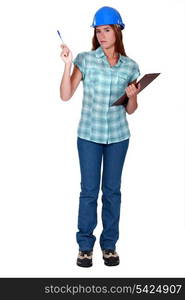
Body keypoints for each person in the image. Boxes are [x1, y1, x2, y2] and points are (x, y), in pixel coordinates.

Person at [59, 6, 141, 267]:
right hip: (89, 136)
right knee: (89, 191)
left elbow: (131, 110)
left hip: (118, 137)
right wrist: (67, 65)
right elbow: (66, 94)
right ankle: (85, 246)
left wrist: (133, 96)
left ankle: (109, 245)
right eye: (98, 30)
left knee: (113, 191)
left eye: (107, 30)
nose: (102, 35)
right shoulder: (85, 59)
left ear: (117, 31)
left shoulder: (130, 66)